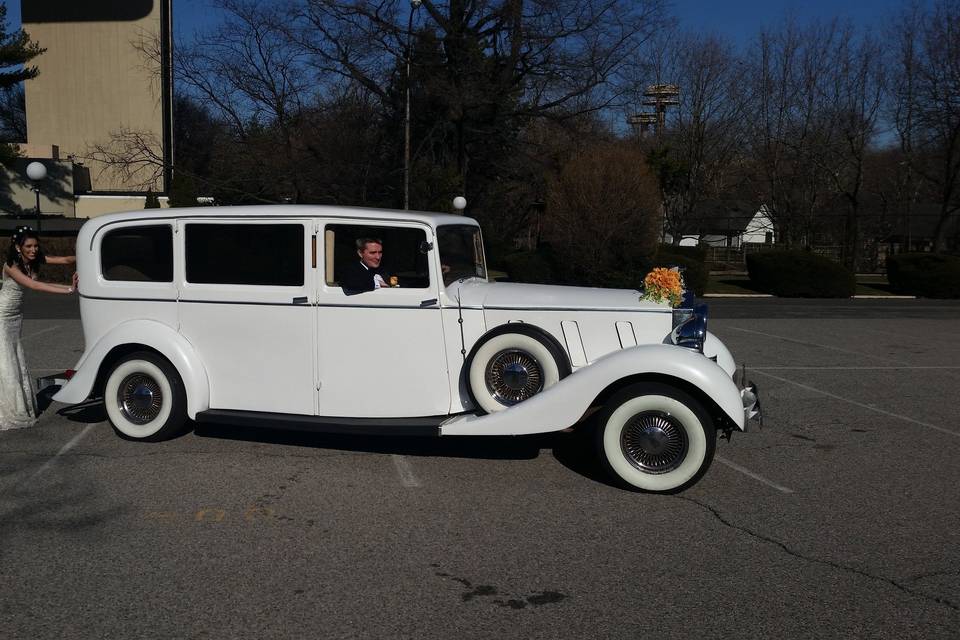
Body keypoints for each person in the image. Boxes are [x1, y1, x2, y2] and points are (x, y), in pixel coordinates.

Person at [1, 226, 77, 431]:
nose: (33, 250)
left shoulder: (33, 260)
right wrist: (68, 290)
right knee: (6, 362)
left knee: (15, 359)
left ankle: (19, 406)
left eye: (35, 245)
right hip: (1, 316)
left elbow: (65, 260)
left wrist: (86, 253)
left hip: (16, 317)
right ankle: (9, 410)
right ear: (18, 247)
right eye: (28, 246)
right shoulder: (11, 266)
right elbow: (35, 286)